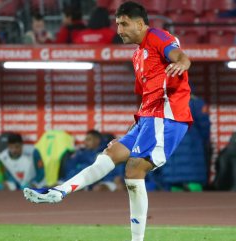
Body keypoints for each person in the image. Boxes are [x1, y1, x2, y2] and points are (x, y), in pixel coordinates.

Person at [23, 2, 193, 241]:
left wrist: (181, 63)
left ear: (140, 23)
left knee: (134, 169)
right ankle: (59, 192)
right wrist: (128, 134)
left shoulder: (157, 36)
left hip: (168, 117)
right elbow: (146, 99)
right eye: (117, 24)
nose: (119, 29)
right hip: (148, 118)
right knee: (110, 153)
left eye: (124, 23)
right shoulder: (137, 56)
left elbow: (180, 56)